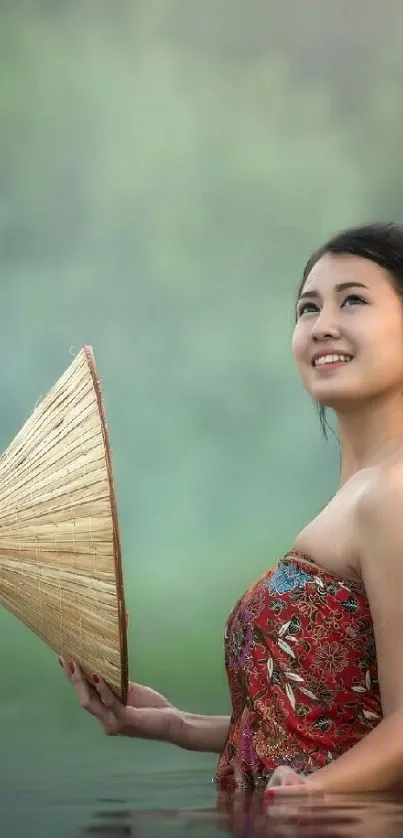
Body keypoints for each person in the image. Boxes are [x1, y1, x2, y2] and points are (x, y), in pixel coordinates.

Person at [60, 222, 403, 797]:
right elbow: (321, 727)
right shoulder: (358, 497)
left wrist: (314, 796)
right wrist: (173, 724)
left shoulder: (391, 495)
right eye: (307, 308)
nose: (323, 326)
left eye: (353, 300)